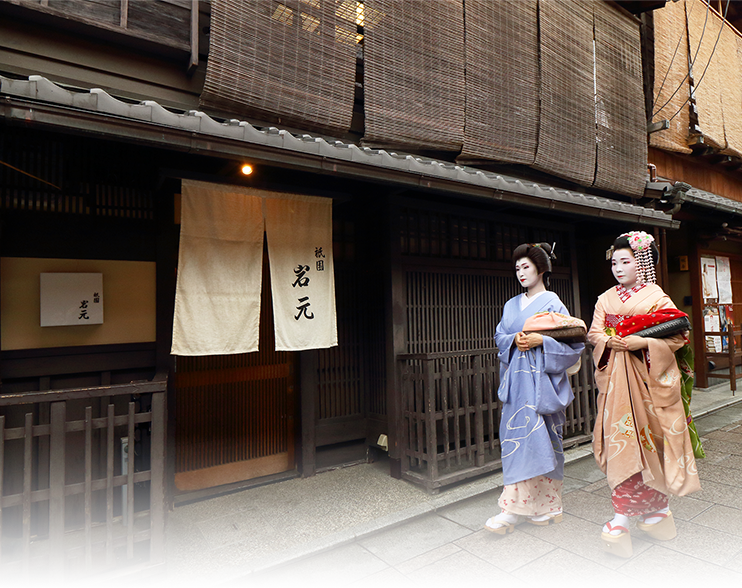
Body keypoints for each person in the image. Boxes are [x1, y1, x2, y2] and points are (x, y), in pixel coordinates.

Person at [588, 231, 700, 559]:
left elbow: (678, 335)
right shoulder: (604, 298)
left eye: (626, 261)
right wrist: (609, 342)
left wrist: (643, 343)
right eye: (614, 262)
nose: (618, 268)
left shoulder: (656, 296)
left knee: (651, 442)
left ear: (642, 262)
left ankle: (656, 509)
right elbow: (595, 333)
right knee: (622, 441)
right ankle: (626, 514)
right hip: (617, 384)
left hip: (646, 380)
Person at [484, 243, 584, 535]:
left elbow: (573, 344)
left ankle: (549, 506)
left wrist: (543, 342)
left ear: (541, 269)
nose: (521, 273)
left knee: (544, 440)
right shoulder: (510, 305)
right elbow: (500, 336)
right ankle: (514, 508)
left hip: (541, 385)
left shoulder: (553, 302)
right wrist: (514, 338)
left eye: (526, 267)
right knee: (516, 438)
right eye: (517, 268)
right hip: (518, 385)